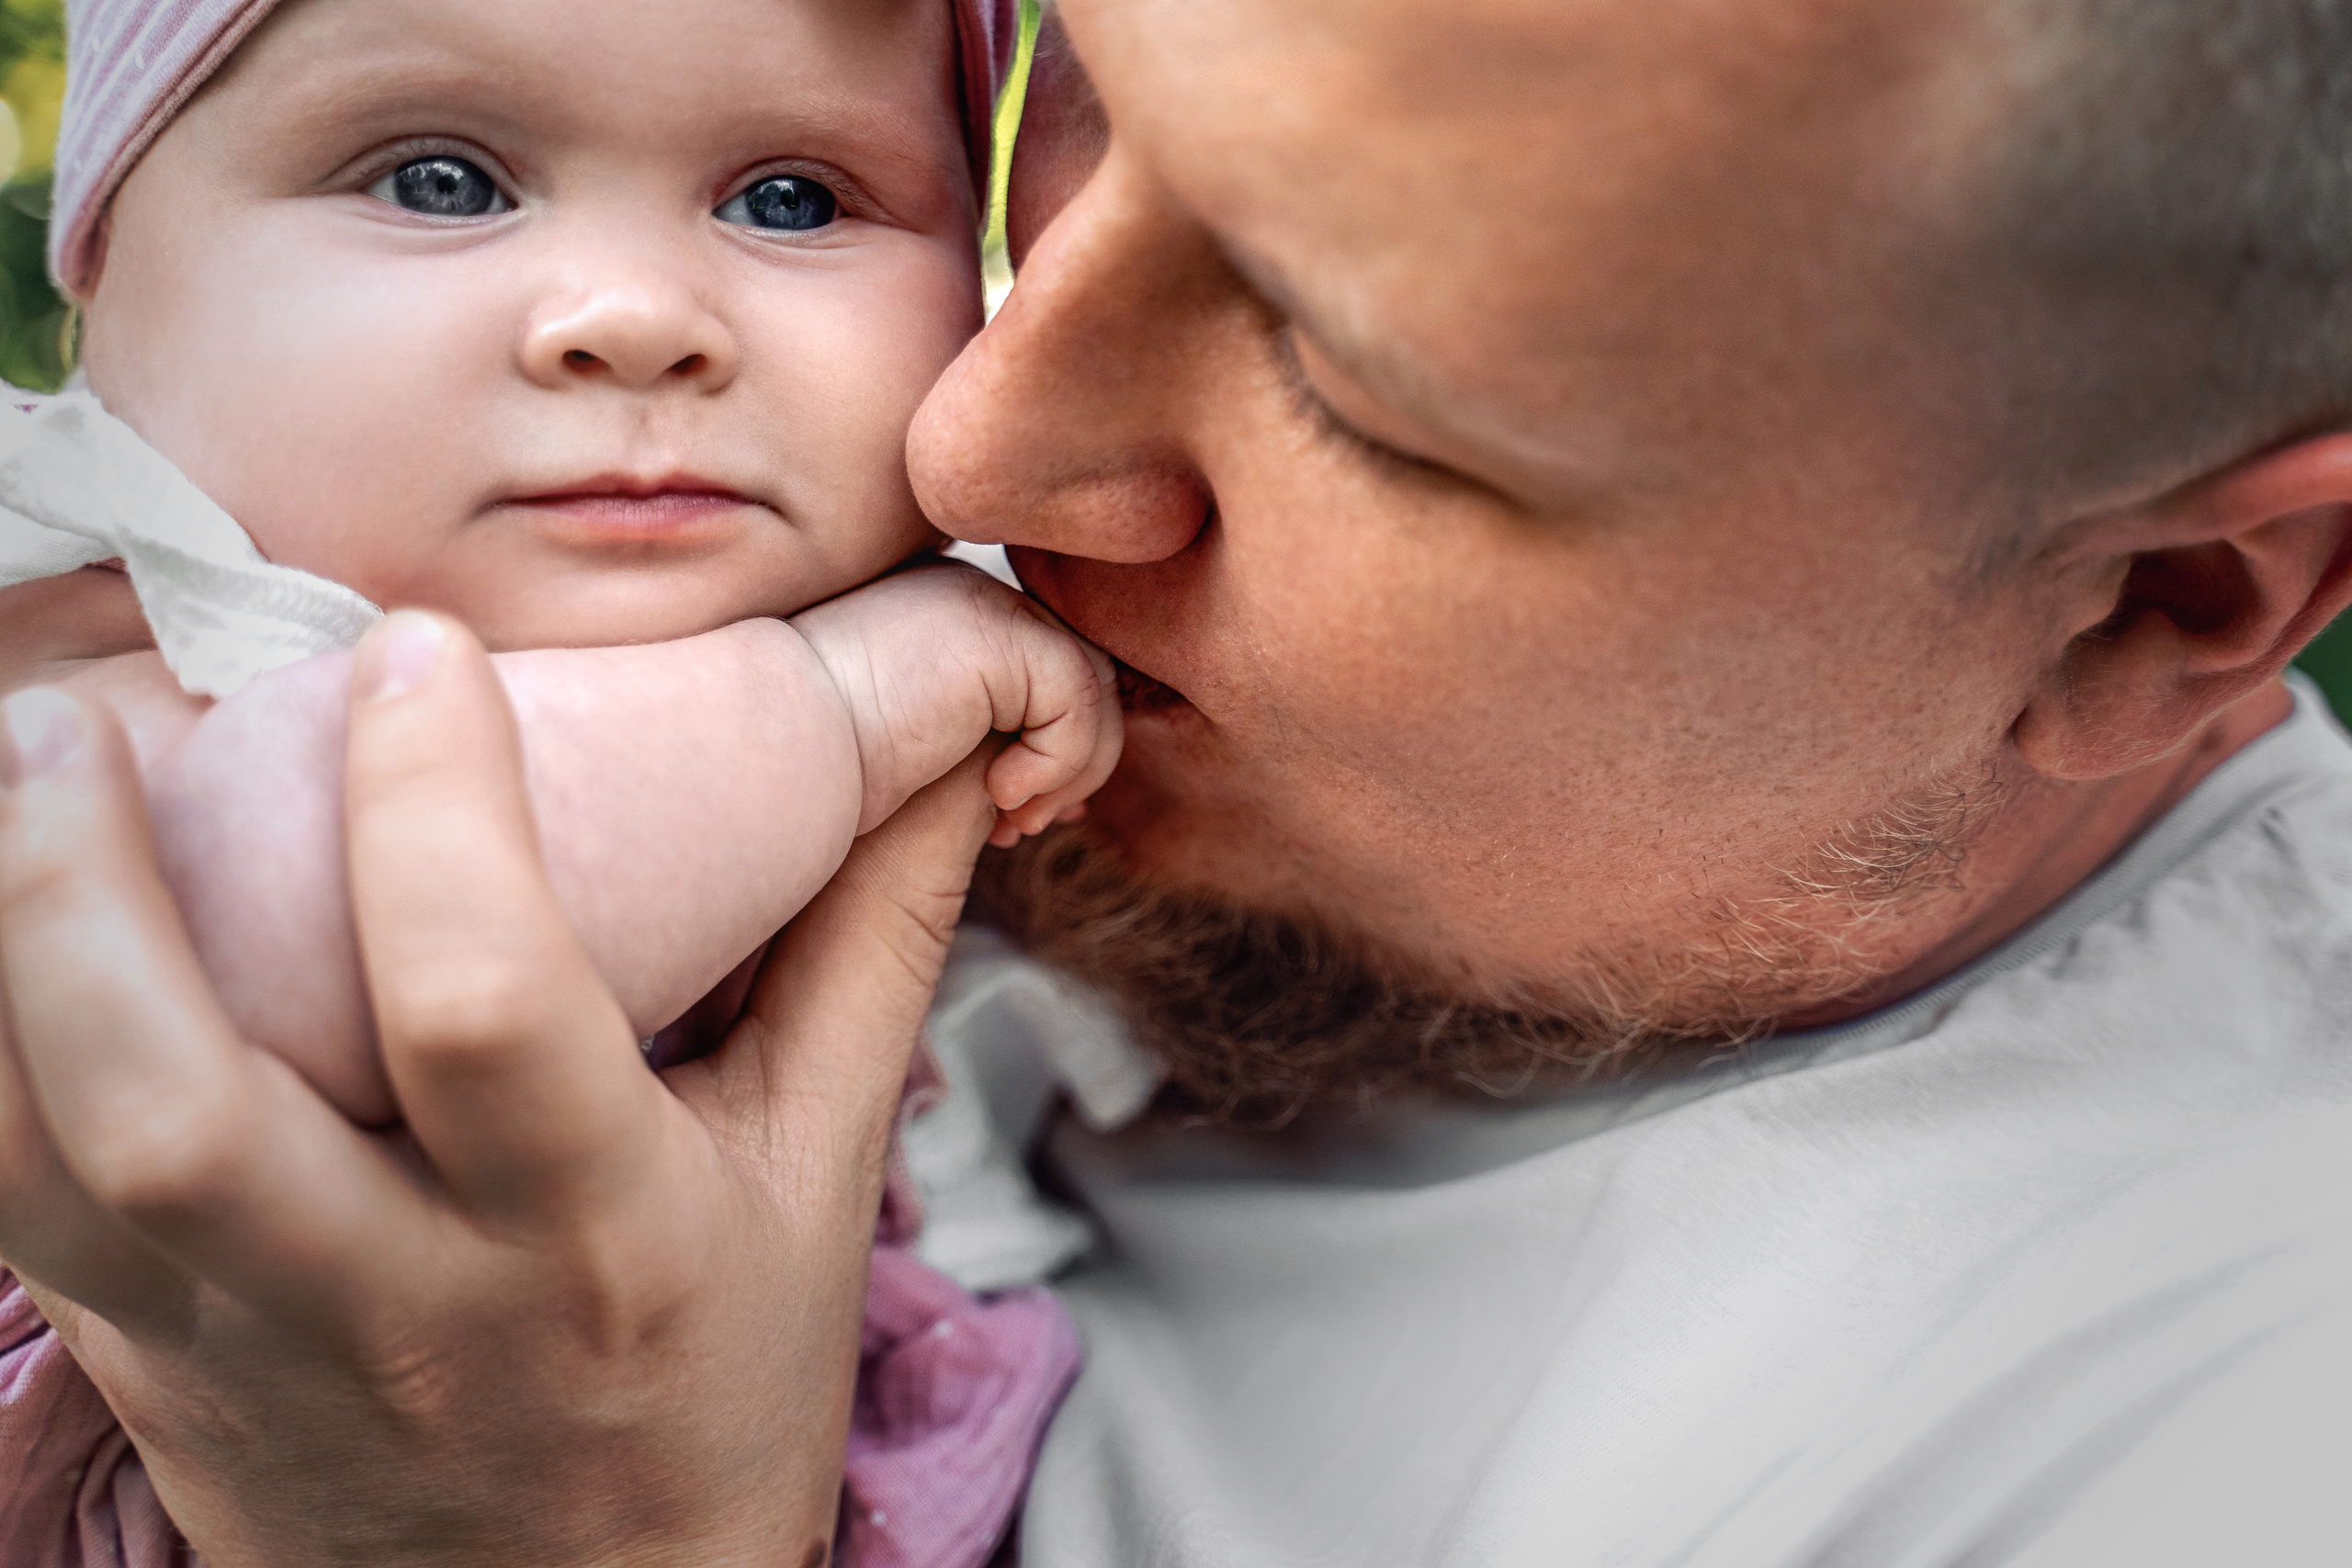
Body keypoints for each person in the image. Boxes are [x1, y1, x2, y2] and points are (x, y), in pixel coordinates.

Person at [6, 0, 2352, 1562]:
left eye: (1357, 392)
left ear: (2164, 597)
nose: (975, 436)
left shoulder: (2171, 1453)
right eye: (1074, 121)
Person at [0, 0, 1114, 1562]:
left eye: (789, 198)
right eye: (441, 181)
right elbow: (348, 957)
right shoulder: (126, 630)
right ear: (103, 287)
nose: (639, 314)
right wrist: (841, 706)